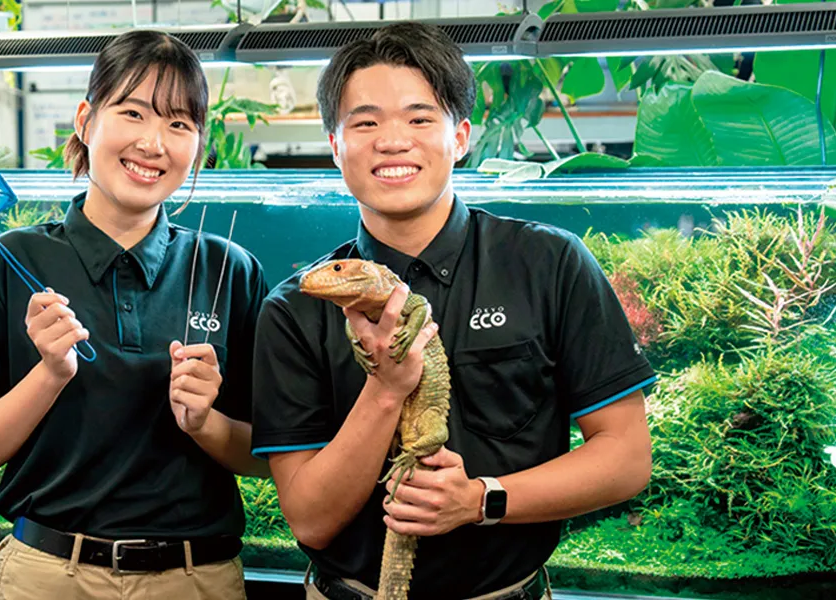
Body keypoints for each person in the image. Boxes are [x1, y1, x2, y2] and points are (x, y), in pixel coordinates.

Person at [250, 21, 656, 600]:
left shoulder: (549, 262)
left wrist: (481, 499)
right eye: (365, 122)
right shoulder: (294, 308)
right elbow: (310, 519)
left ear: (460, 136)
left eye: (420, 118)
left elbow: (626, 456)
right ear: (336, 144)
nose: (393, 141)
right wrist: (388, 388)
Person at [0, 29, 270, 600]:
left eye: (179, 124)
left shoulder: (228, 270)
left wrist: (204, 421)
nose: (153, 142)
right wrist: (50, 372)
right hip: (48, 574)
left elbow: (266, 456)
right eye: (133, 112)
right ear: (86, 121)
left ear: (199, 145)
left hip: (197, 579)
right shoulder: (13, 262)